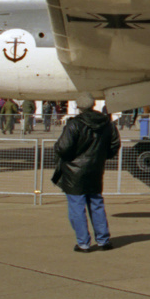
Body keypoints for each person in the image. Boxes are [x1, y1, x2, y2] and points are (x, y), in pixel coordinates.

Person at [52, 94, 121, 253]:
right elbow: (114, 144)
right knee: (96, 203)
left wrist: (66, 156)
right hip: (95, 168)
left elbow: (63, 147)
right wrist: (101, 157)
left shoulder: (75, 124)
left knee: (77, 207)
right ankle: (103, 240)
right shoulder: (107, 123)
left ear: (78, 106)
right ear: (94, 104)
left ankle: (83, 243)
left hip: (75, 170)